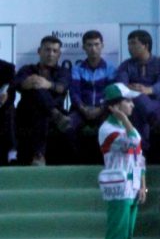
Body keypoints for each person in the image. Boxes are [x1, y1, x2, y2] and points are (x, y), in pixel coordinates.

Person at [98, 82, 147, 239]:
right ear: (114, 106)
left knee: (126, 237)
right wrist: (125, 120)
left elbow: (139, 157)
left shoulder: (126, 127)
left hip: (133, 186)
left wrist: (143, 185)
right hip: (118, 187)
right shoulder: (107, 129)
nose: (132, 106)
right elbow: (133, 144)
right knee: (117, 235)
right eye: (127, 101)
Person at [13, 35, 72, 165]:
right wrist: (25, 84)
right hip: (27, 113)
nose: (50, 54)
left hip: (49, 112)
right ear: (39, 51)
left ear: (59, 54)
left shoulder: (63, 71)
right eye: (47, 50)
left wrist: (48, 84)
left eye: (54, 51)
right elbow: (16, 83)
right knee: (35, 85)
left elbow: (62, 87)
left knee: (40, 107)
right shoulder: (27, 69)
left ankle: (39, 155)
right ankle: (54, 114)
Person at [115, 29, 160, 149]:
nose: (129, 47)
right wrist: (136, 91)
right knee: (138, 101)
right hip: (136, 103)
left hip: (158, 102)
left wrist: (148, 90)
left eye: (133, 43)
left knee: (138, 107)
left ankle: (142, 148)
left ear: (146, 45)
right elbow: (121, 84)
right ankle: (155, 121)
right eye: (128, 44)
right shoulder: (126, 65)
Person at [69, 29, 117, 156]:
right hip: (81, 110)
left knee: (110, 128)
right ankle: (75, 160)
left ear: (102, 46)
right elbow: (74, 92)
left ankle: (106, 160)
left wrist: (101, 109)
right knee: (69, 125)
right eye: (89, 45)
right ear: (83, 47)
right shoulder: (77, 69)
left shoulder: (110, 68)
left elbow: (111, 93)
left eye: (96, 44)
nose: (93, 48)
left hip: (104, 110)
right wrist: (83, 108)